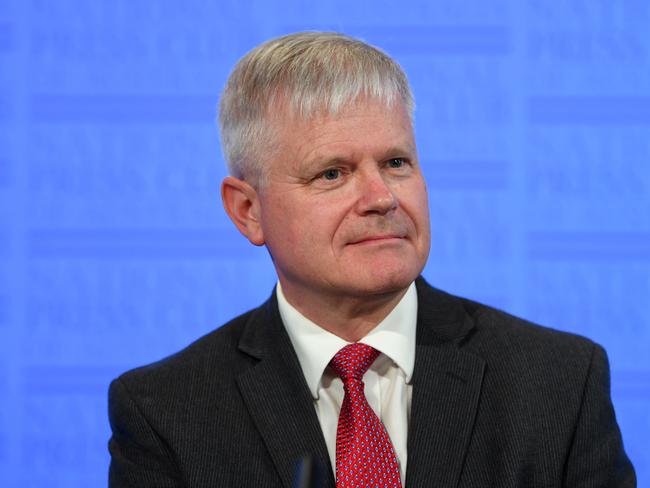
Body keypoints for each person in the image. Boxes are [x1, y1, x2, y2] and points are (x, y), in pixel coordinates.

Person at [108, 32, 636, 487]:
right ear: (248, 211)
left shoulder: (558, 383)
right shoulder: (167, 411)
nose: (382, 197)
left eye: (396, 162)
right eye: (333, 173)